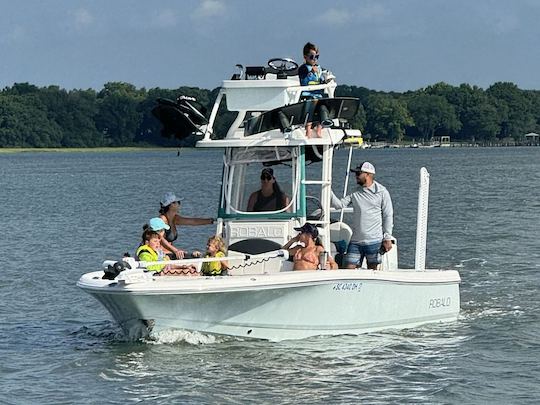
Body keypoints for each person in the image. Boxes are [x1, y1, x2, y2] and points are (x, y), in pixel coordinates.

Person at [330, 162, 394, 270]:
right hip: (356, 241)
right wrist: (328, 189)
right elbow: (339, 205)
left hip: (374, 241)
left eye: (358, 173)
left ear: (368, 175)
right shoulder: (355, 192)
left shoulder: (382, 192)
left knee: (373, 271)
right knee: (348, 268)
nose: (356, 176)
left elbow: (388, 215)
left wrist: (387, 237)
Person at [158, 191, 215, 259]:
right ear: (170, 205)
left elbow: (193, 221)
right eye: (178, 202)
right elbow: (160, 239)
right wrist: (176, 251)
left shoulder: (175, 218)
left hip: (171, 253)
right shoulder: (162, 220)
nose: (179, 204)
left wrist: (211, 221)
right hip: (162, 255)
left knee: (196, 256)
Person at [298, 42, 325, 138]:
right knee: (310, 106)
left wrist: (326, 78)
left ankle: (319, 129)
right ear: (305, 57)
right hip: (308, 94)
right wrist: (310, 72)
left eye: (316, 57)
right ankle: (308, 129)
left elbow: (322, 79)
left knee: (323, 107)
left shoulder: (319, 69)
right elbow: (303, 79)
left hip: (318, 94)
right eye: (312, 57)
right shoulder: (303, 69)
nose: (314, 60)